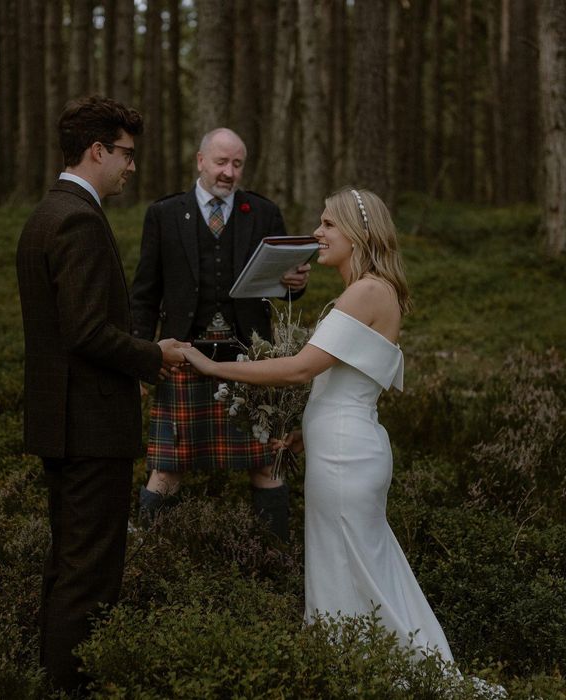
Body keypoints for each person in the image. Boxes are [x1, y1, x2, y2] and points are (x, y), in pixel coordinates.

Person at [180, 187, 456, 662]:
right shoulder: (369, 290)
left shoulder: (367, 291)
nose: (317, 233)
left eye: (328, 224)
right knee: (354, 567)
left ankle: (376, 671)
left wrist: (211, 367)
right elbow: (348, 382)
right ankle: (368, 667)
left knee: (353, 569)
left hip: (347, 455)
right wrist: (304, 432)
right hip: (342, 447)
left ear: (358, 232)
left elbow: (300, 368)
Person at [16, 95, 189, 694]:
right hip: (89, 428)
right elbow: (86, 330)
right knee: (90, 574)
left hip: (62, 423)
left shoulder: (46, 212)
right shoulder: (78, 220)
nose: (130, 166)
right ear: (97, 151)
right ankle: (72, 686)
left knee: (69, 565)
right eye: (125, 154)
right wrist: (154, 356)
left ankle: (48, 680)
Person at [130, 127, 310, 539]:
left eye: (237, 164)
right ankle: (149, 557)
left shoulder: (263, 213)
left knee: (267, 462)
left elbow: (283, 286)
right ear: (200, 160)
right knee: (167, 467)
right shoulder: (165, 214)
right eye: (220, 162)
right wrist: (141, 354)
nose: (229, 172)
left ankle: (273, 557)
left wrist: (295, 285)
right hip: (182, 355)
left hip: (250, 359)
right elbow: (144, 292)